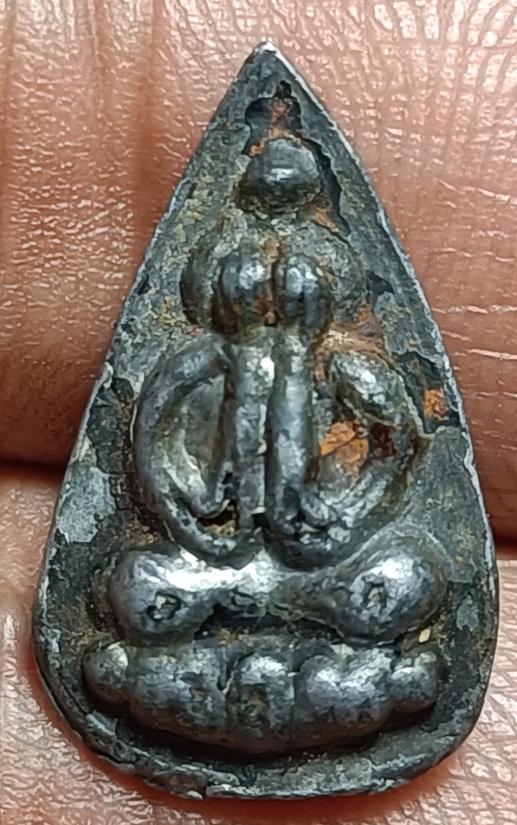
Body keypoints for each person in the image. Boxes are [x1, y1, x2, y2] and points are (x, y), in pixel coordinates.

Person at [1, 3, 516, 822]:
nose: (274, 297)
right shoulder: (197, 360)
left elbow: (395, 442)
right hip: (216, 561)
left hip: (325, 567)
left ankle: (257, 674)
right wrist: (194, 519)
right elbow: (149, 446)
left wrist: (342, 513)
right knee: (136, 583)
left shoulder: (345, 362)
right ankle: (322, 678)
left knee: (406, 577)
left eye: (297, 285)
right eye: (249, 284)